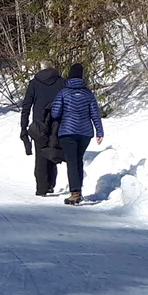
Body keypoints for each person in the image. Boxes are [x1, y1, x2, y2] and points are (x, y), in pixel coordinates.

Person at [49, 62, 103, 204]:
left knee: (72, 162)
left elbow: (55, 113)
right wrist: (99, 131)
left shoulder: (63, 92)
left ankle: (75, 193)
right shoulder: (88, 93)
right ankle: (78, 190)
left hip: (67, 132)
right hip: (85, 132)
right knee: (78, 160)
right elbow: (95, 114)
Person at [18, 64, 65, 196]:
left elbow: (26, 105)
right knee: (53, 151)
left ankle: (42, 188)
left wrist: (24, 125)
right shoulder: (62, 82)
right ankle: (50, 184)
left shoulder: (34, 83)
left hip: (39, 124)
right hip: (57, 122)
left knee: (40, 155)